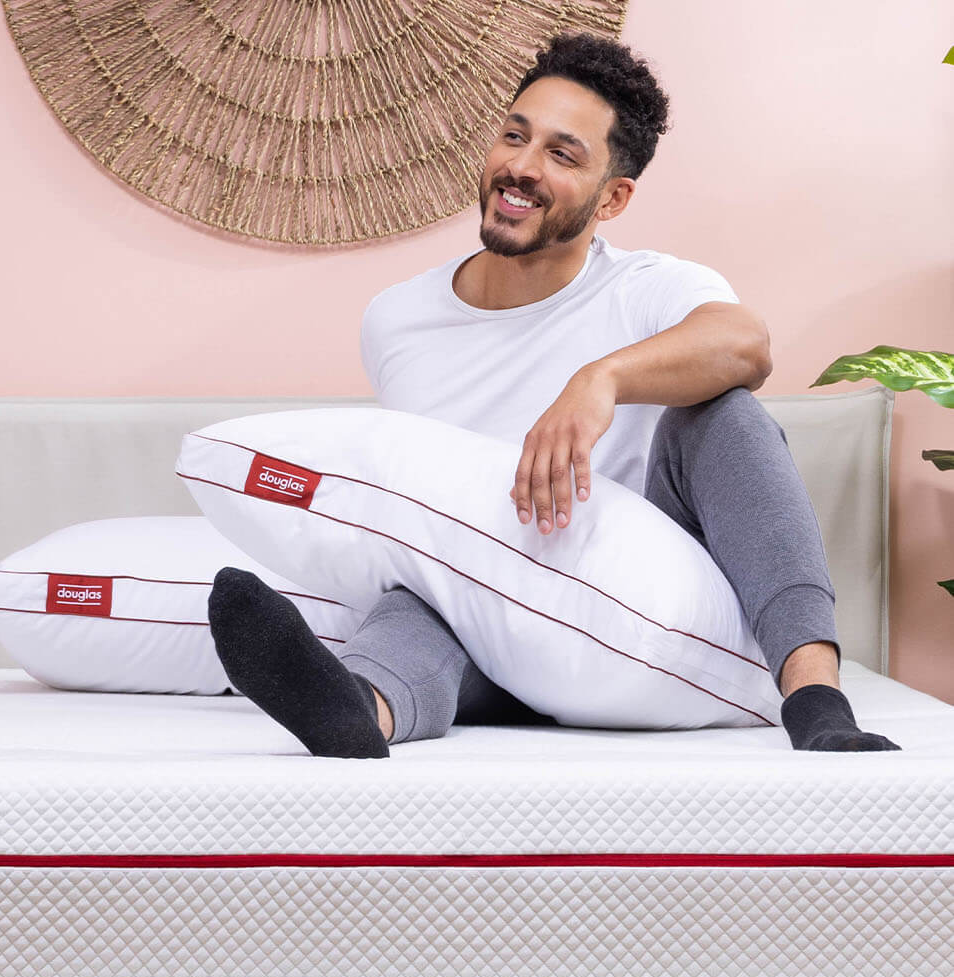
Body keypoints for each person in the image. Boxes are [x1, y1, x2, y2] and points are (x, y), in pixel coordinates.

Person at [207, 32, 901, 759]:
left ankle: (818, 697)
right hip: (495, 621)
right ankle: (359, 708)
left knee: (724, 413)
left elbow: (746, 344)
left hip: (651, 615)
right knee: (423, 587)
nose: (520, 167)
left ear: (613, 199)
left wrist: (598, 380)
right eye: (514, 135)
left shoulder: (650, 289)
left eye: (562, 155)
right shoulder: (397, 320)